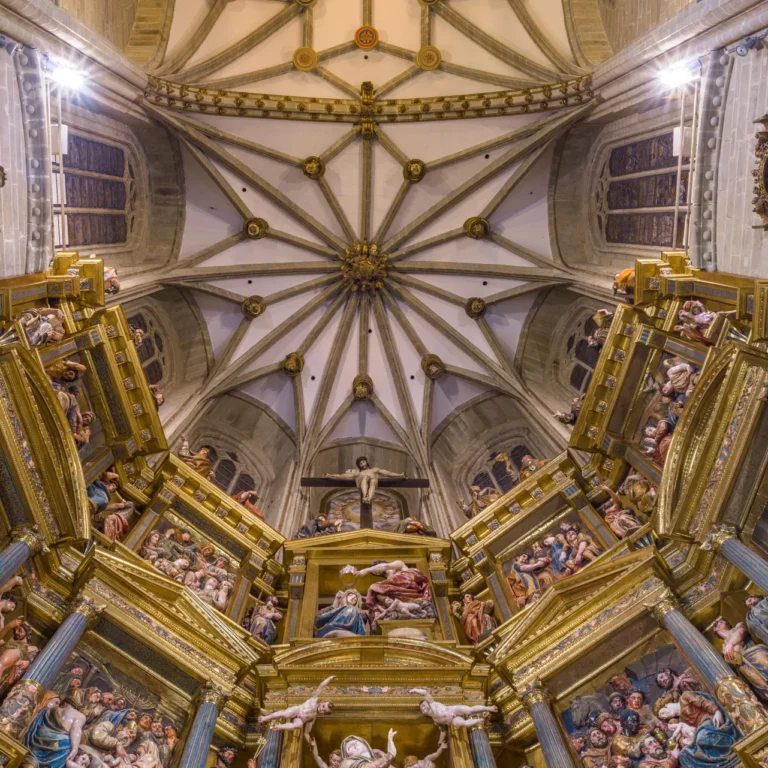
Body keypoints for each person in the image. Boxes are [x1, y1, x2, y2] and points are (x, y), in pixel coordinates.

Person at [257, 676, 335, 742]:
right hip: (297, 710)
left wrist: (310, 742)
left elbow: (306, 733)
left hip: (300, 719)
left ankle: (278, 727)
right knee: (285, 714)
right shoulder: (314, 699)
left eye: (324, 711)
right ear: (322, 702)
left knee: (299, 725)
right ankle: (265, 718)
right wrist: (330, 678)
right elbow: (321, 686)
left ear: (323, 714)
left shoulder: (313, 718)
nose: (322, 710)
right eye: (323, 707)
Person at [713, 617, 768, 701]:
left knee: (763, 661)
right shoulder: (723, 648)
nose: (718, 624)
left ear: (727, 623)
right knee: (760, 685)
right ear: (715, 630)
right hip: (744, 668)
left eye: (721, 621)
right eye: (716, 624)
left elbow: (741, 632)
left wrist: (730, 644)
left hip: (754, 654)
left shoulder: (737, 627)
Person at [25, 697, 87, 768]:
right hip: (58, 745)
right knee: (68, 745)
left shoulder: (52, 709)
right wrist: (74, 749)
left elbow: (37, 721)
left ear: (65, 703)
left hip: (40, 738)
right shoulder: (80, 715)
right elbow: (76, 729)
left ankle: (31, 762)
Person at [324, 458, 406, 505]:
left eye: (363, 462)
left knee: (373, 481)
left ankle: (368, 499)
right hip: (362, 482)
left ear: (366, 462)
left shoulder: (374, 470)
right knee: (364, 478)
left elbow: (388, 473)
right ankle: (365, 497)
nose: (363, 464)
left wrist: (400, 475)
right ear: (359, 466)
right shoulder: (357, 474)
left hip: (372, 483)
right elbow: (341, 476)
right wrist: (329, 475)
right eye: (360, 463)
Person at [410, 689, 497, 728]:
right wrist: (441, 742)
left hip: (452, 710)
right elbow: (442, 730)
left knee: (470, 710)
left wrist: (414, 690)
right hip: (451, 721)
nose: (425, 707)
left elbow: (425, 693)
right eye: (422, 708)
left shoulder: (432, 704)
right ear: (423, 712)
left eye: (425, 704)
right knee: (463, 724)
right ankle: (478, 721)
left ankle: (489, 708)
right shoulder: (435, 720)